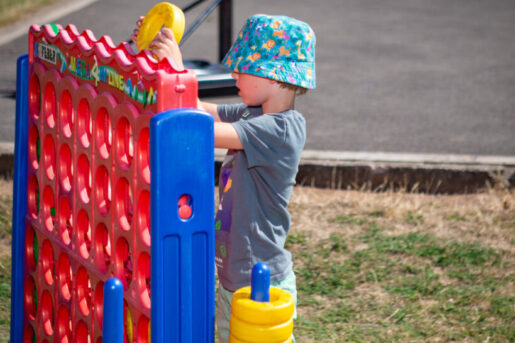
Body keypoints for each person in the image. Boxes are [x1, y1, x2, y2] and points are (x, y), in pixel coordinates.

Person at [132, 13, 316, 342]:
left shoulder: (282, 130)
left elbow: (200, 129)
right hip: (233, 276)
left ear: (272, 75)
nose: (233, 73)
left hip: (261, 282)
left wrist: (179, 70)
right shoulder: (252, 113)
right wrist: (160, 65)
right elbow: (197, 107)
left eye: (242, 67)